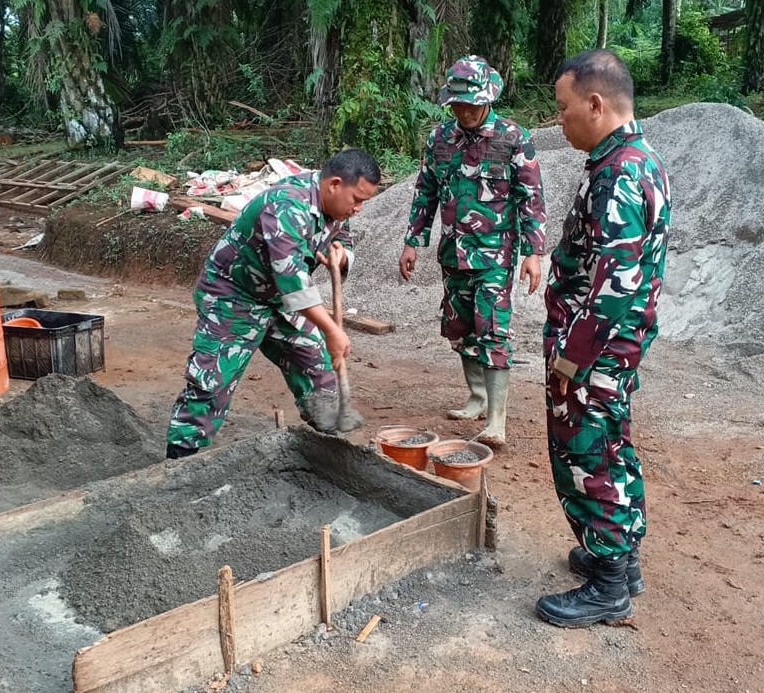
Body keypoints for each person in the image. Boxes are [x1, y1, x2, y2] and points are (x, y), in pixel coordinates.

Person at [536, 50, 672, 627]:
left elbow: (616, 283)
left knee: (585, 453)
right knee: (613, 446)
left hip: (593, 352)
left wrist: (571, 361)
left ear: (596, 104)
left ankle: (608, 583)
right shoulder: (640, 161)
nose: (560, 121)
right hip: (615, 348)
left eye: (564, 109)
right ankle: (620, 558)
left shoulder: (619, 174)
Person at [165, 149, 381, 459]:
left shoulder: (335, 207)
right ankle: (181, 460)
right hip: (233, 296)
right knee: (212, 381)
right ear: (335, 184)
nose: (359, 208)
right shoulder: (287, 206)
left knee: (317, 368)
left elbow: (341, 236)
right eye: (357, 200)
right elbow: (293, 281)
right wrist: (332, 330)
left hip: (279, 301)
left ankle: (331, 449)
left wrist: (342, 253)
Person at [399, 55, 547, 447]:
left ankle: (497, 419)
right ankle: (477, 398)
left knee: (493, 331)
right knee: (460, 328)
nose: (463, 111)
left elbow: (531, 198)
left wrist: (533, 253)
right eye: (457, 104)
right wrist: (413, 240)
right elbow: (425, 191)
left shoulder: (514, 139)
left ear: (487, 99)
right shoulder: (440, 139)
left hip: (495, 255)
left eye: (470, 103)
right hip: (453, 254)